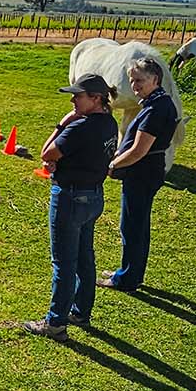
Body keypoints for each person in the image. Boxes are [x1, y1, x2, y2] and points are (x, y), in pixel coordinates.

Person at [22, 73, 118, 340]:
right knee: (85, 256)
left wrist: (62, 123)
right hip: (94, 196)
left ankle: (55, 323)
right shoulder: (109, 124)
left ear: (96, 99)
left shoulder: (79, 127)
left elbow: (46, 152)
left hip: (70, 197)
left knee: (64, 262)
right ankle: (80, 311)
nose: (73, 100)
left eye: (78, 96)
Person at [97, 57, 179, 293]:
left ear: (155, 79)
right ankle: (130, 271)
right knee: (138, 225)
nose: (134, 86)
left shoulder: (156, 109)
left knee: (132, 226)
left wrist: (112, 164)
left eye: (140, 80)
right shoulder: (157, 102)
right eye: (132, 81)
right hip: (146, 172)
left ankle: (127, 279)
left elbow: (138, 151)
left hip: (142, 173)